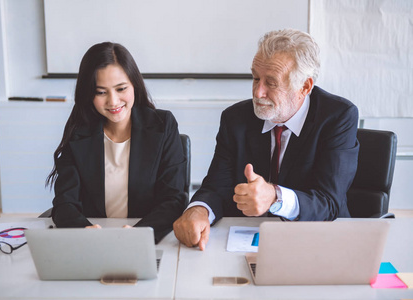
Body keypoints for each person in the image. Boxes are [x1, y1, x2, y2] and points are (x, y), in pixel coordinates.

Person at [173, 29, 359, 250]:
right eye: (255, 78)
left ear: (305, 87)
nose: (258, 92)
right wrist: (198, 210)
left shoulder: (337, 116)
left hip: (318, 241)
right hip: (244, 242)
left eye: (271, 83)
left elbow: (329, 203)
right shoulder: (235, 119)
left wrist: (275, 197)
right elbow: (216, 186)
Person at [46, 42, 187, 243]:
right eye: (101, 92)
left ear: (135, 85)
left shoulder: (163, 126)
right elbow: (64, 203)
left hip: (146, 240)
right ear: (89, 94)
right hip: (94, 242)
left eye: (121, 89)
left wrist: (139, 235)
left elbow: (173, 200)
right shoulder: (78, 133)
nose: (113, 101)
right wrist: (84, 231)